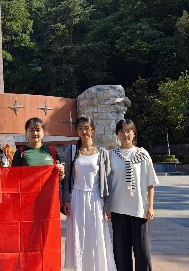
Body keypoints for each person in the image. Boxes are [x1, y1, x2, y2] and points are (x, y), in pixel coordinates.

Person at [61, 115, 116, 271]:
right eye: (80, 128)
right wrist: (66, 199)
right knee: (79, 234)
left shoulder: (102, 153)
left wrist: (108, 204)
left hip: (96, 198)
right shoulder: (72, 151)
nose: (84, 131)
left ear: (92, 130)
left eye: (87, 128)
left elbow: (108, 179)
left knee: (96, 234)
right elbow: (67, 178)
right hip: (77, 198)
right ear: (77, 131)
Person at [105, 119, 159, 271]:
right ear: (117, 134)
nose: (125, 134)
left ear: (134, 133)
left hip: (139, 209)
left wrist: (150, 207)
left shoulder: (142, 154)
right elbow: (107, 182)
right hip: (118, 209)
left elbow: (150, 182)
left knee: (142, 251)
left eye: (128, 131)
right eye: (121, 131)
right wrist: (107, 205)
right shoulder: (111, 155)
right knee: (121, 252)